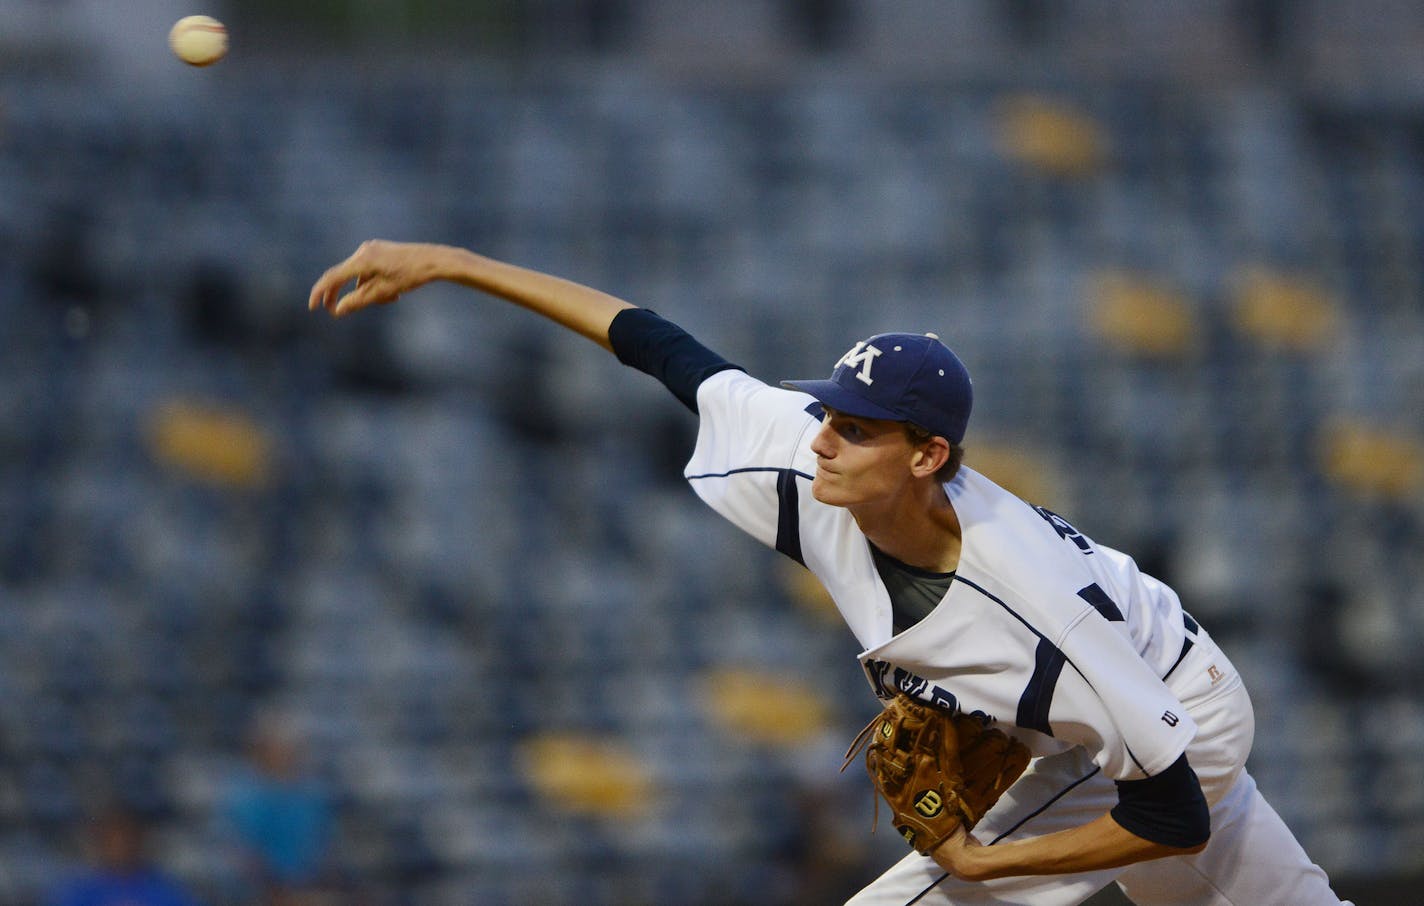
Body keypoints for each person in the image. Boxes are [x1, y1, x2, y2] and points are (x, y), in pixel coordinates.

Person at [308, 240, 1352, 905]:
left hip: (1159, 718)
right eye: (826, 415)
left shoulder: (1024, 603)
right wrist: (451, 264)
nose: (820, 442)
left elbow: (1168, 811)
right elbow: (654, 345)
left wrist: (983, 863)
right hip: (1126, 694)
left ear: (927, 455)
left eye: (852, 430)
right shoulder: (816, 460)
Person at [48, 806, 201, 906]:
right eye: (113, 840)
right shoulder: (80, 890)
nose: (121, 847)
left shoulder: (164, 889)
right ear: (101, 844)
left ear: (139, 841)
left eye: (127, 839)